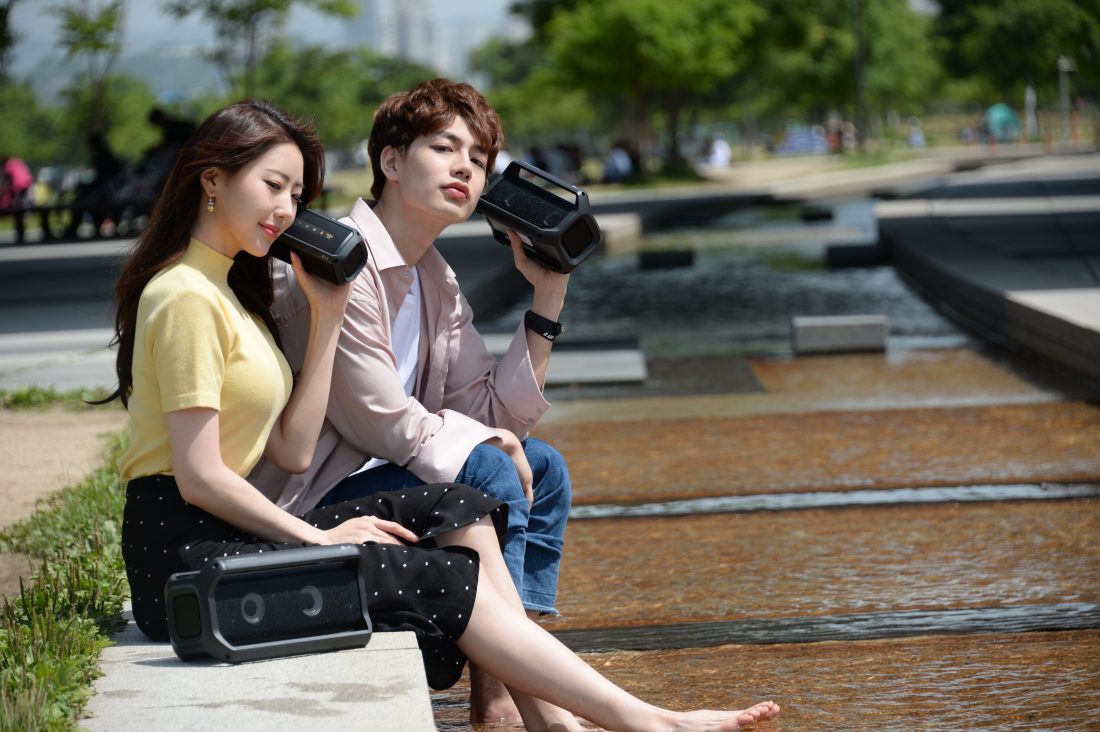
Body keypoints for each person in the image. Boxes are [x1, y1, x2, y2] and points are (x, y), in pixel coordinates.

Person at [106, 98, 780, 732]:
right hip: (186, 563)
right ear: (211, 181)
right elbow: (197, 479)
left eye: (294, 193)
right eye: (273, 186)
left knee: (461, 505)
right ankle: (636, 719)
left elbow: (291, 450)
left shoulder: (232, 294)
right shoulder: (186, 296)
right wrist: (316, 538)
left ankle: (546, 714)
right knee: (438, 567)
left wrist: (330, 316)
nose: (286, 210)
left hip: (237, 535)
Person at [249, 78, 573, 723]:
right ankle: (518, 698)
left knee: (547, 469)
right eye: (445, 148)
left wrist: (548, 296)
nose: (465, 168)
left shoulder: (435, 279)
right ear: (392, 162)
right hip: (308, 502)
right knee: (486, 464)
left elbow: (494, 413)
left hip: (387, 483)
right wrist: (487, 442)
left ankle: (507, 677)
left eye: (478, 159)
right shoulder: (337, 259)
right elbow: (375, 419)